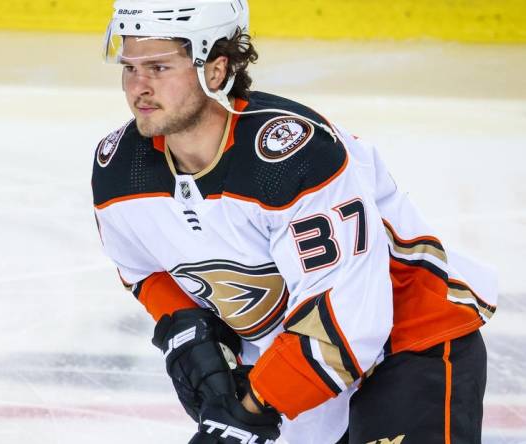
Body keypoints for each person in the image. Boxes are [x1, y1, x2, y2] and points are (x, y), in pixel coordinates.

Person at [91, 1, 497, 442]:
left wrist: (246, 412)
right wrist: (189, 332)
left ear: (214, 69)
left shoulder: (291, 159)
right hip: (296, 356)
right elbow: (141, 268)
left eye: (159, 67)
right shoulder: (120, 170)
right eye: (130, 67)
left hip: (410, 341)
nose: (139, 87)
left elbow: (349, 325)